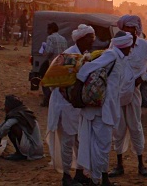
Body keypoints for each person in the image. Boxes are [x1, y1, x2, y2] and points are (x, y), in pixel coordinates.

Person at [109, 15, 147, 179]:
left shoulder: (144, 46)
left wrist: (142, 78)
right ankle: (119, 165)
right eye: (125, 29)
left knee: (135, 127)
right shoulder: (115, 44)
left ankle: (141, 164)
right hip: (117, 93)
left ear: (136, 30)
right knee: (117, 129)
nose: (128, 32)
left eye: (131, 29)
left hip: (134, 93)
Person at [76, 32, 131, 186]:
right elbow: (86, 70)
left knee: (100, 145)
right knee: (102, 146)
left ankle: (99, 178)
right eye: (129, 46)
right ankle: (98, 179)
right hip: (101, 110)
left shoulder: (118, 57)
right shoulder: (112, 55)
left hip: (105, 108)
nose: (131, 49)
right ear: (125, 46)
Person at [47, 24, 94, 186]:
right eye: (90, 38)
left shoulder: (85, 55)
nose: (92, 42)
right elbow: (58, 84)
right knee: (67, 141)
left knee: (80, 141)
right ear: (81, 39)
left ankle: (80, 173)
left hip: (76, 107)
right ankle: (66, 176)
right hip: (64, 105)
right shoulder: (68, 55)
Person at [0, 95, 44, 161]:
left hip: (32, 149)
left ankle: (20, 154)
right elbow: (3, 124)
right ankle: (20, 153)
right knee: (11, 127)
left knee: (13, 128)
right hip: (37, 149)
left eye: (5, 105)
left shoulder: (17, 115)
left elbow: (6, 126)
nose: (5, 108)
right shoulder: (23, 111)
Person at [40, 22, 68, 107]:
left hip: (53, 62)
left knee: (44, 79)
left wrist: (43, 51)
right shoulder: (63, 38)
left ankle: (47, 98)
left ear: (51, 29)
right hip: (63, 63)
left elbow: (49, 51)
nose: (47, 31)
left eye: (48, 29)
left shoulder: (50, 38)